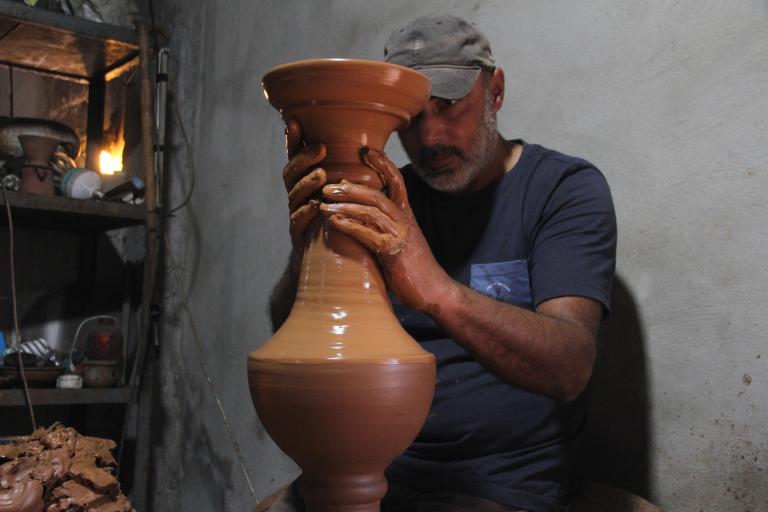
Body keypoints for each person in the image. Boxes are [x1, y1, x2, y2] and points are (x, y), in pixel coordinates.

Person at [266, 14, 617, 512]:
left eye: (449, 105)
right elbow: (291, 335)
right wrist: (307, 257)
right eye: (410, 116)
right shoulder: (381, 197)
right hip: (368, 470)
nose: (430, 136)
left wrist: (436, 290)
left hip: (498, 489)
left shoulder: (563, 190)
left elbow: (570, 367)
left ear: (494, 91)